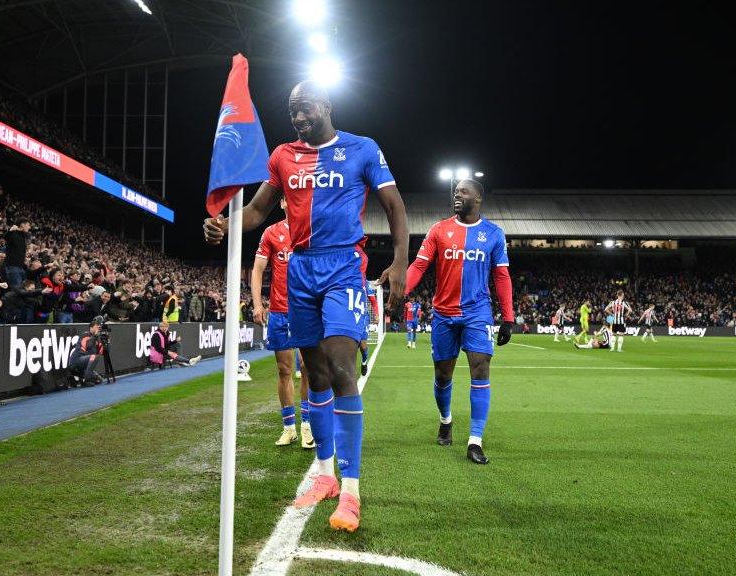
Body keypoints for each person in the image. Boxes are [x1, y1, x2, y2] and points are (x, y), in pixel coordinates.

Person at [204, 80, 408, 532]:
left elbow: (394, 205)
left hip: (342, 269)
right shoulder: (282, 156)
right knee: (313, 373)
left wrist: (400, 262)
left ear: (327, 105)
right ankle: (325, 476)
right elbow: (259, 209)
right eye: (292, 109)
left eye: (305, 107)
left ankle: (352, 492)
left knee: (340, 368)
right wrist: (227, 224)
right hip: (299, 272)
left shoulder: (362, 148)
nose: (298, 116)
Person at [404, 178, 515, 466]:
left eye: (463, 192)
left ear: (478, 198)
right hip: (443, 313)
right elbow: (419, 266)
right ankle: (446, 419)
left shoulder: (493, 233)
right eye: (455, 192)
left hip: (477, 313)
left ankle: (475, 441)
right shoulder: (439, 229)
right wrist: (400, 289)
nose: (457, 195)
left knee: (481, 369)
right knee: (443, 375)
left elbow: (502, 276)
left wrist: (508, 317)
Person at [251, 198, 314, 450]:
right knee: (284, 370)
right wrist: (257, 304)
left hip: (307, 310)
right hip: (279, 312)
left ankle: (308, 426)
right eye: (288, 197)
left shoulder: (313, 230)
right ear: (282, 203)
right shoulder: (271, 232)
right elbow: (257, 270)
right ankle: (289, 428)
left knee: (309, 369)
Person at [67, 315, 107, 386]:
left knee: (99, 380)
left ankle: (80, 378)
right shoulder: (85, 335)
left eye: (99, 326)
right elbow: (88, 346)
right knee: (94, 357)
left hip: (84, 365)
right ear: (91, 328)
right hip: (76, 362)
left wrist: (107, 341)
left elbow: (104, 352)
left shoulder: (97, 338)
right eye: (96, 326)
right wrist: (95, 336)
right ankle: (85, 380)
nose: (98, 327)